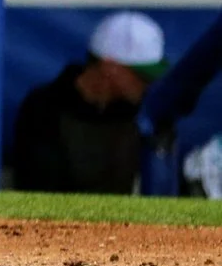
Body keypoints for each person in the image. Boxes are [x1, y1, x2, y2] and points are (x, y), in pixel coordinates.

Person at [10, 11, 165, 193]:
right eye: (141, 75)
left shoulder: (147, 113)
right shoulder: (44, 109)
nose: (148, 84)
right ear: (110, 67)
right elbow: (39, 193)